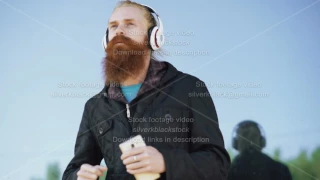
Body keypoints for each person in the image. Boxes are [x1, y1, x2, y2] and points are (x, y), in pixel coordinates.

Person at [62, 1, 230, 179]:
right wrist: (78, 177)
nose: (119, 30)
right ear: (106, 40)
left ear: (154, 37)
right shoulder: (95, 106)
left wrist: (166, 162)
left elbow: (218, 163)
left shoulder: (189, 88)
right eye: (113, 26)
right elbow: (74, 170)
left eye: (130, 24)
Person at [227, 120, 292, 180]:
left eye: (252, 137)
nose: (249, 141)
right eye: (245, 136)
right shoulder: (280, 169)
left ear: (235, 143)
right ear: (262, 142)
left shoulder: (226, 172)